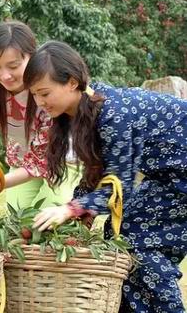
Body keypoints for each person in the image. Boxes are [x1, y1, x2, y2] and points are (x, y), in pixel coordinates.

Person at [28, 41, 187, 312]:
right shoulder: (83, 110)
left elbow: (119, 186)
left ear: (71, 82)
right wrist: (79, 214)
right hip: (164, 176)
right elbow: (97, 173)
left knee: (136, 241)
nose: (39, 102)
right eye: (34, 95)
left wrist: (71, 209)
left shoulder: (112, 113)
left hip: (179, 174)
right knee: (119, 239)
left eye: (44, 93)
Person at [0, 20, 79, 209]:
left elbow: (41, 159)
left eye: (13, 66)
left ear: (32, 57)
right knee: (18, 222)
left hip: (64, 160)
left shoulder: (46, 90)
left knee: (50, 220)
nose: (5, 75)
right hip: (21, 161)